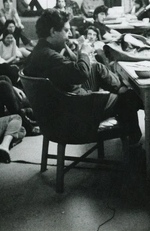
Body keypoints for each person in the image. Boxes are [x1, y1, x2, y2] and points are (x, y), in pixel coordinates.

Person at [22, 8, 142, 144]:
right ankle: (134, 147)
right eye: (66, 31)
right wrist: (84, 52)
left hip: (62, 106)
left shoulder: (39, 52)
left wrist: (74, 52)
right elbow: (81, 74)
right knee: (128, 99)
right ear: (53, 31)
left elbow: (69, 70)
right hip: (74, 112)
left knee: (96, 67)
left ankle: (121, 88)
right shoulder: (49, 56)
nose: (68, 36)